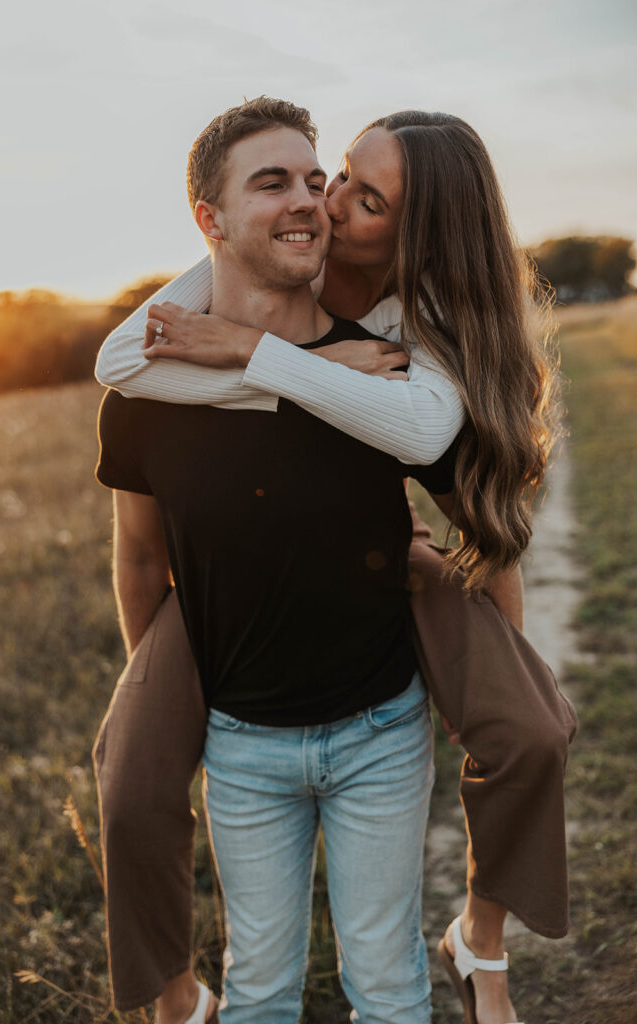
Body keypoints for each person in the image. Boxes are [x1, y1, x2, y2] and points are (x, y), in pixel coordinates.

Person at [94, 100, 576, 1024]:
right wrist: (172, 694)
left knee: (396, 979)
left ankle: (481, 942)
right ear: (210, 217)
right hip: (236, 692)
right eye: (287, 181)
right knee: (147, 814)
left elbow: (480, 522)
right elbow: (139, 554)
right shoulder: (156, 375)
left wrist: (488, 684)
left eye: (328, 184)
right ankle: (174, 998)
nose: (321, 200)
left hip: (377, 693)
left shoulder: (394, 357)